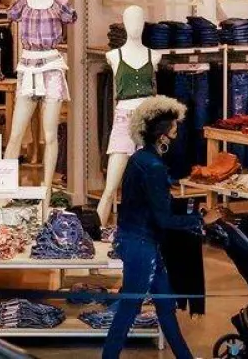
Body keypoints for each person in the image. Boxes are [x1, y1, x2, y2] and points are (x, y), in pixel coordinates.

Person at [104, 97, 205, 359]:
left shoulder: (139, 159)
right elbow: (164, 220)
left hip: (137, 241)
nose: (176, 135)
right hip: (142, 246)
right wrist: (201, 220)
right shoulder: (154, 167)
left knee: (165, 306)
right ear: (162, 135)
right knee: (129, 310)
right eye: (173, 130)